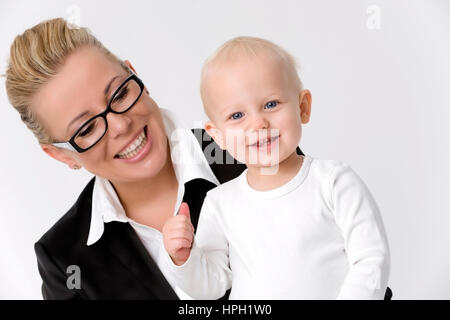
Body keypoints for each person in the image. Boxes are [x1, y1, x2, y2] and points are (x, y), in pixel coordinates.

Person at [4, 18, 247, 299]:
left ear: (134, 74)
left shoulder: (247, 150)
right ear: (60, 155)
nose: (121, 126)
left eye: (119, 94)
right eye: (87, 128)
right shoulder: (63, 258)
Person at [162, 36, 392, 299]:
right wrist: (184, 260)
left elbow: (370, 259)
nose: (258, 123)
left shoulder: (333, 182)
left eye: (271, 104)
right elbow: (211, 287)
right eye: (237, 116)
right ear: (218, 137)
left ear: (303, 107)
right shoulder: (219, 203)